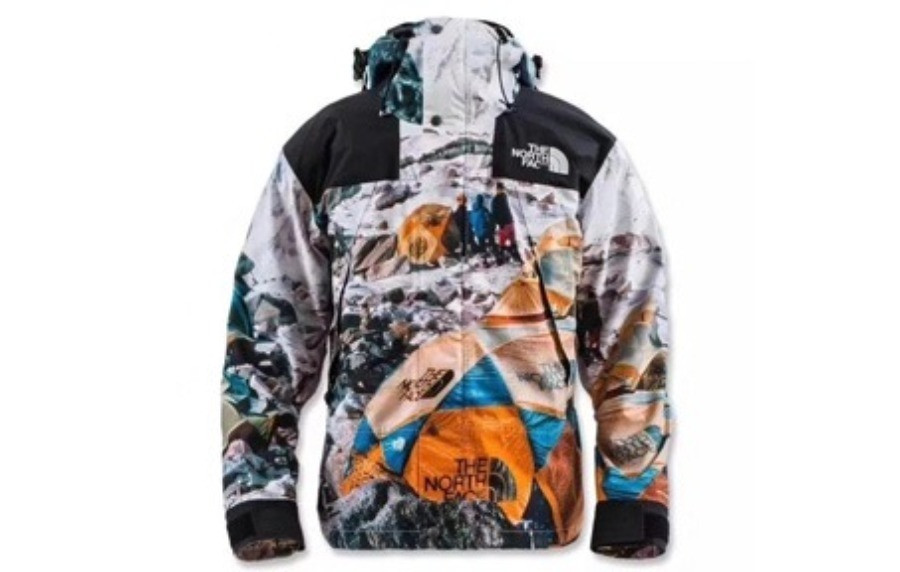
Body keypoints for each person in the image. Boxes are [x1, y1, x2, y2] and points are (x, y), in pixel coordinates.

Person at [490, 184, 521, 263]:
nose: (501, 190)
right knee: (507, 241)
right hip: (507, 223)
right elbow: (495, 213)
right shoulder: (501, 199)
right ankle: (510, 256)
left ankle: (508, 257)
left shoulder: (501, 198)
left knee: (507, 241)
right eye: (500, 189)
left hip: (507, 223)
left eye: (501, 189)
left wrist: (496, 224)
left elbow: (495, 213)